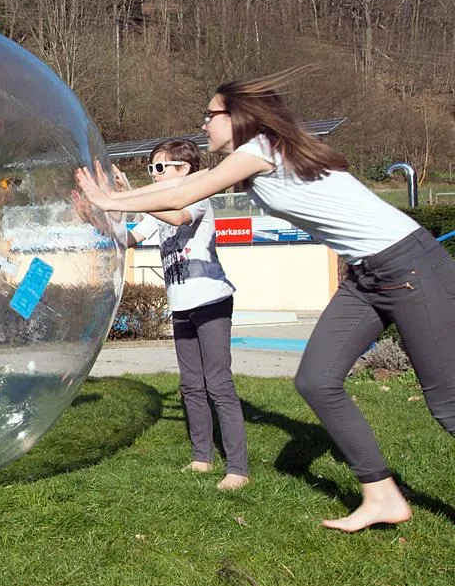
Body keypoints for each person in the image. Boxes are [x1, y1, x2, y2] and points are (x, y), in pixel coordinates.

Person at [75, 71, 455, 532]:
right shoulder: (256, 162)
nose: (204, 125)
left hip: (407, 266)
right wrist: (111, 202)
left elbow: (183, 192)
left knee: (446, 404)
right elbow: (172, 199)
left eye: (209, 115)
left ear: (236, 118)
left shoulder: (259, 150)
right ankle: (382, 496)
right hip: (367, 275)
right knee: (316, 380)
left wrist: (111, 198)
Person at [77, 140, 249, 490]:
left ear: (184, 170)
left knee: (218, 383)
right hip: (181, 305)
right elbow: (127, 239)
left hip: (211, 300)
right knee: (190, 385)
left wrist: (134, 199)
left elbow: (176, 214)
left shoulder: (197, 197)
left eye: (159, 169)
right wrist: (94, 217)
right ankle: (202, 458)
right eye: (150, 170)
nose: (153, 176)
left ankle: (238, 470)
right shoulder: (159, 209)